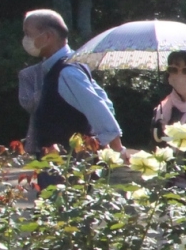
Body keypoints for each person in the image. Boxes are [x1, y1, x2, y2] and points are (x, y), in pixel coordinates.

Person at [20, 9, 123, 154]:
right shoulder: (71, 64)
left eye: (28, 34)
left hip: (69, 161)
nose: (25, 39)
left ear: (48, 36)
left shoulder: (67, 72)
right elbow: (106, 104)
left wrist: (117, 149)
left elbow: (98, 108)